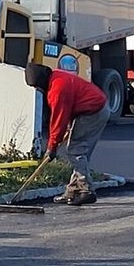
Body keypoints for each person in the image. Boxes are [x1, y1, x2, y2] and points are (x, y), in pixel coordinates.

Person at [24, 62, 110, 206]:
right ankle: (73, 190)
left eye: (36, 86)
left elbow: (58, 120)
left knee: (76, 150)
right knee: (78, 152)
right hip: (94, 108)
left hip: (93, 111)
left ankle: (86, 190)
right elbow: (70, 107)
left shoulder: (57, 90)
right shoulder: (56, 77)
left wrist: (52, 147)